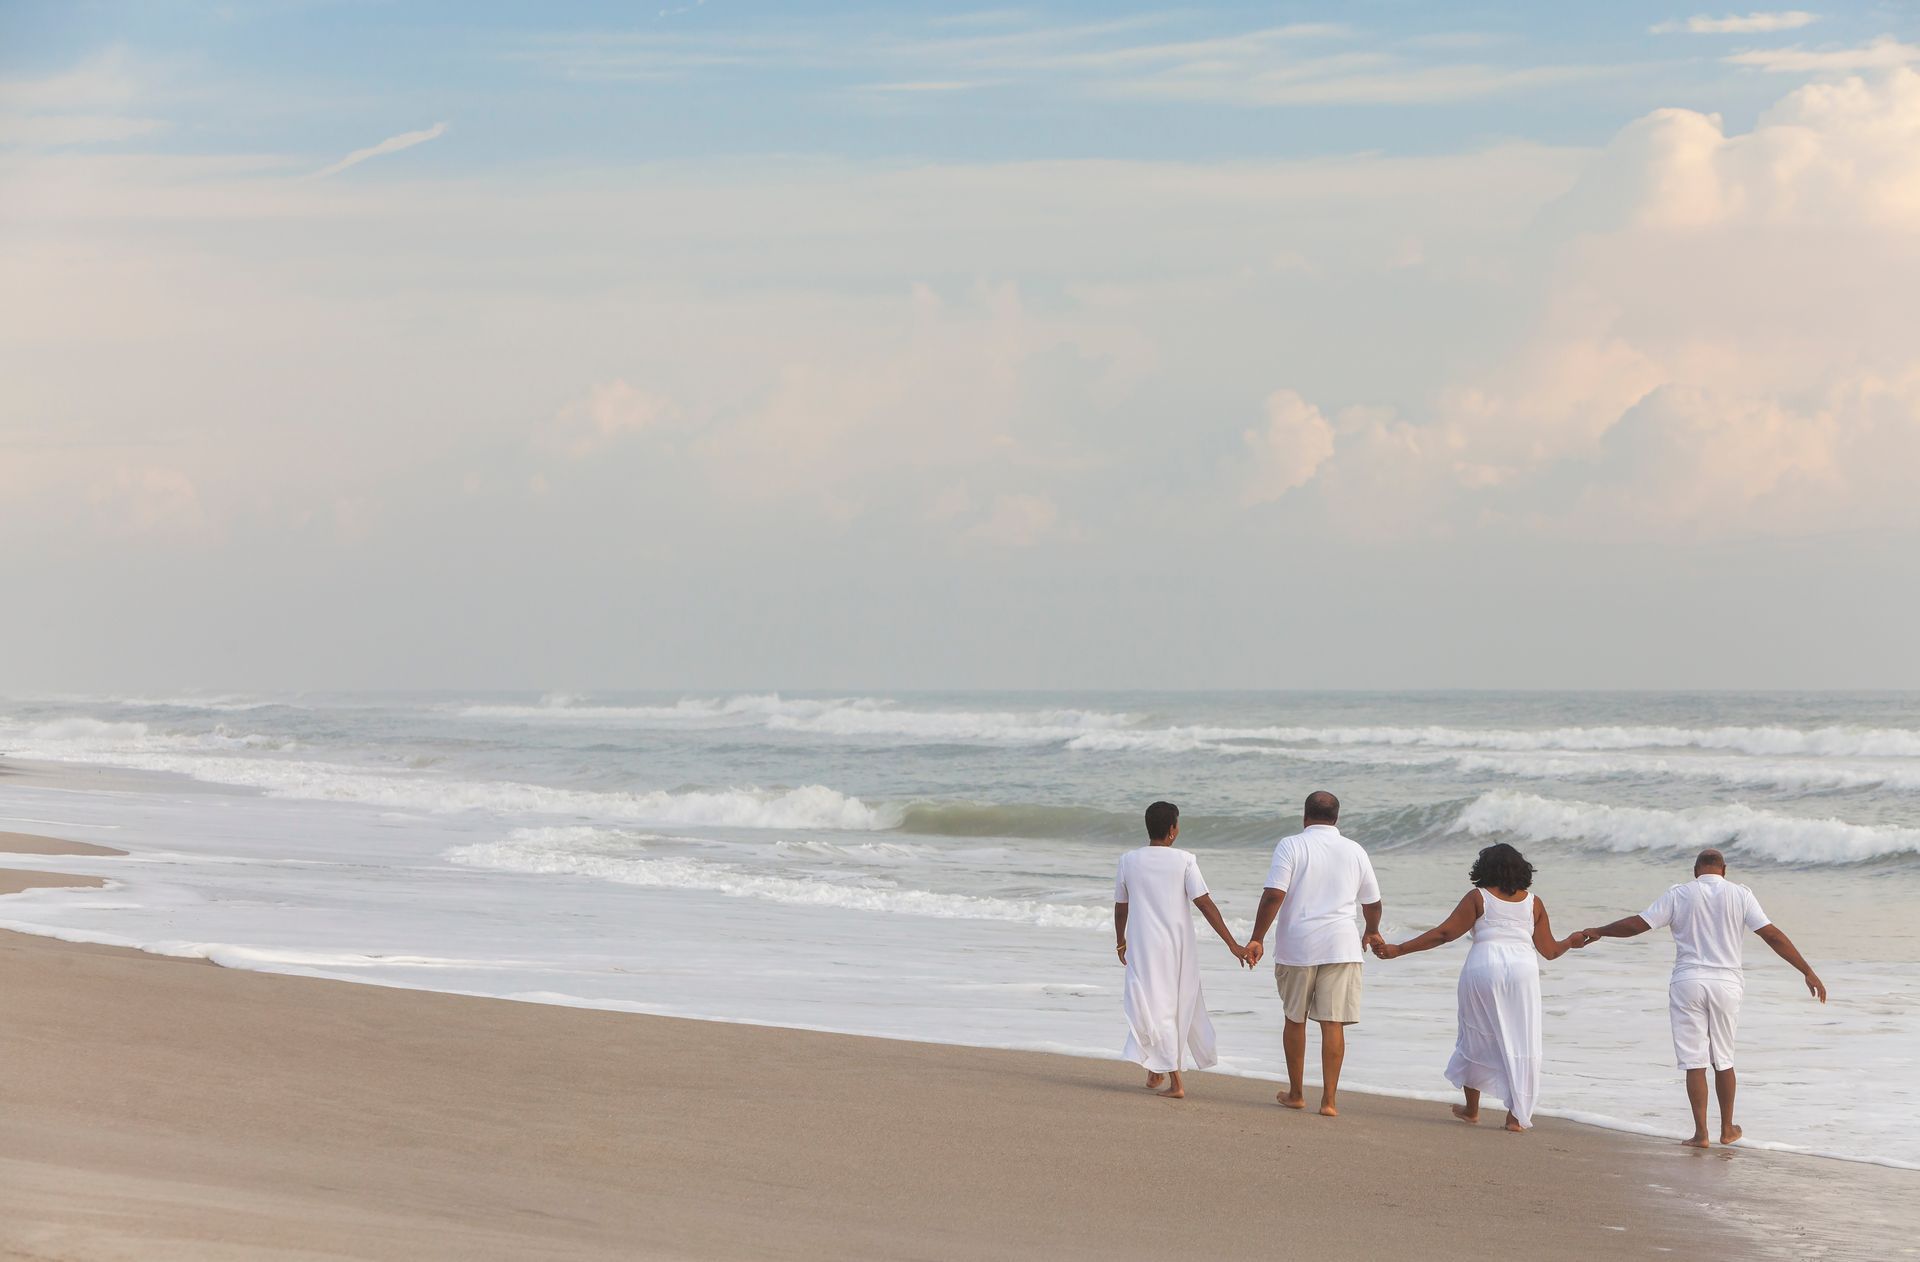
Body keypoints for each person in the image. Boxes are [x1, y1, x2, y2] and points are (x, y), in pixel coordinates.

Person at [1582, 848, 1827, 1148]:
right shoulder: (1741, 895)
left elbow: (1639, 924)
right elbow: (1772, 935)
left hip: (1687, 982)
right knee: (1723, 1059)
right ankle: (1727, 1128)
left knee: (1694, 1060)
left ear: (1695, 870)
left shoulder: (1678, 894)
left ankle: (1701, 1134)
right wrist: (1807, 970)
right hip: (1726, 984)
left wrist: (1599, 931)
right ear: (1724, 870)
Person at [1371, 843, 1590, 1132]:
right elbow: (1549, 951)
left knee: (1474, 1034)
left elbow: (1445, 933)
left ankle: (1472, 1109)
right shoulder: (1534, 903)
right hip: (1523, 971)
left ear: (1484, 869)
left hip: (1484, 966)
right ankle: (1516, 1116)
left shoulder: (1479, 897)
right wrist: (1571, 943)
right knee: (1522, 1039)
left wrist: (1399, 949)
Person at [1242, 790, 1381, 1117]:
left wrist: (1256, 937)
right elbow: (1372, 902)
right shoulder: (1355, 850)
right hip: (1342, 945)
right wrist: (1372, 930)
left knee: (1295, 1018)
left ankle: (1296, 1093)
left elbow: (1273, 895)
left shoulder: (1291, 845)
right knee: (1333, 1024)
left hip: (1298, 945)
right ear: (1336, 818)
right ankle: (1329, 1101)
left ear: (1305, 816)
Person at [1114, 801, 1252, 1098]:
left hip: (1143, 945)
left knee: (1152, 1005)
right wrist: (1232, 944)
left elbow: (1120, 907)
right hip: (1178, 948)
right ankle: (1161, 1073)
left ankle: (1169, 1077)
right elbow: (1204, 903)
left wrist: (1120, 941)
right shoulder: (1185, 860)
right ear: (1173, 830)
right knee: (1170, 1005)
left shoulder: (1128, 860)